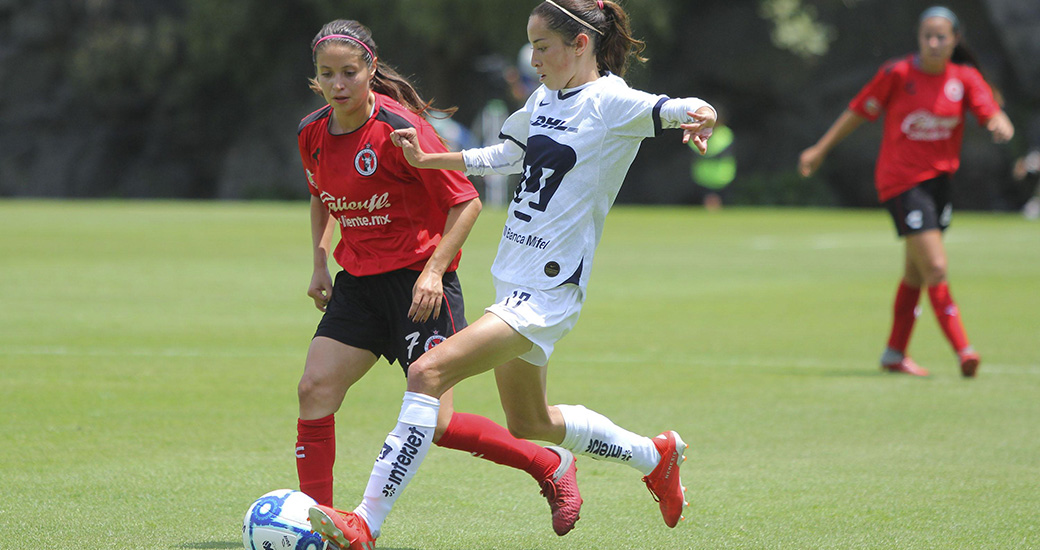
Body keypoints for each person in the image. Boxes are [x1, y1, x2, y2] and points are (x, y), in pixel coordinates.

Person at [306, 2, 716, 548]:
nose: (533, 58)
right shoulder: (545, 99)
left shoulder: (613, 101)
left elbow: (674, 107)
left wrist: (701, 113)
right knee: (530, 422)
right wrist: (432, 162)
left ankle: (365, 522)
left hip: (548, 291)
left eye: (542, 46)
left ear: (581, 45)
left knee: (427, 374)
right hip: (513, 280)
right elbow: (506, 155)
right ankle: (654, 455)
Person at [294, 19, 582, 538]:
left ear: (370, 70)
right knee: (314, 389)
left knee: (441, 424)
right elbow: (321, 195)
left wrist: (431, 272)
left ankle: (550, 465)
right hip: (358, 284)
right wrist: (320, 261)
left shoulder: (400, 127)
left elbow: (465, 201)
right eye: (327, 74)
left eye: (349, 73)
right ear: (316, 78)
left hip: (418, 285)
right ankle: (314, 527)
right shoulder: (312, 133)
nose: (338, 84)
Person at [798, 6, 1014, 378]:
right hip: (902, 182)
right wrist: (819, 149)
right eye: (926, 35)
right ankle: (964, 350)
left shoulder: (963, 78)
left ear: (955, 40)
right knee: (936, 266)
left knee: (915, 273)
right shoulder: (897, 73)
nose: (933, 42)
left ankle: (894, 354)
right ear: (918, 38)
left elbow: (991, 112)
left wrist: (1000, 124)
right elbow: (856, 111)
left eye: (940, 36)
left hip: (939, 185)